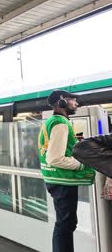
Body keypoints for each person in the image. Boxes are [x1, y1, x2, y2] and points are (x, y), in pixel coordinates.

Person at [38, 90, 95, 252]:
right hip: (62, 181)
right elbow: (55, 158)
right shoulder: (61, 124)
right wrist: (81, 164)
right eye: (72, 100)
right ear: (61, 102)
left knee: (65, 224)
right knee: (65, 225)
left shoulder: (52, 121)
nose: (76, 103)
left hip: (55, 179)